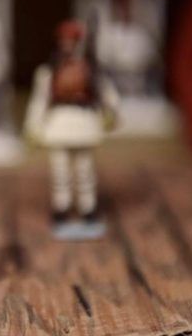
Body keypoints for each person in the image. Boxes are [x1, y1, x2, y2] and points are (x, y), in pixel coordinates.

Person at [24, 20, 119, 239]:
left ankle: (87, 207)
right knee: (60, 172)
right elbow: (39, 101)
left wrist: (111, 112)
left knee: (85, 171)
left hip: (83, 120)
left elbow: (107, 93)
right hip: (58, 122)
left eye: (72, 40)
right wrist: (32, 127)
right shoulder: (49, 71)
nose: (68, 45)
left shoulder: (90, 69)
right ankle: (62, 207)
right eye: (65, 40)